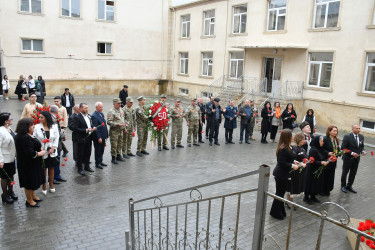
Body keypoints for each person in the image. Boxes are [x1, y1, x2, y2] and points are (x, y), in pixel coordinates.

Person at [15, 118, 46, 208]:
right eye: (31, 125)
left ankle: (33, 196)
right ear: (25, 127)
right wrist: (41, 153)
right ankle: (29, 200)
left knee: (32, 181)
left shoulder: (28, 135)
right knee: (28, 182)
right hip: (27, 164)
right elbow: (29, 153)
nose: (33, 126)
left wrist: (40, 148)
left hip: (32, 164)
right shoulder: (23, 137)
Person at [269, 129, 299, 220]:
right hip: (281, 175)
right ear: (287, 137)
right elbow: (281, 162)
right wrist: (292, 165)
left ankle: (279, 211)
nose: (293, 137)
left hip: (284, 174)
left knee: (280, 194)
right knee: (279, 194)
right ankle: (276, 213)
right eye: (291, 135)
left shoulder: (287, 147)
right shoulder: (283, 148)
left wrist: (294, 161)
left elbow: (288, 158)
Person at [33, 111, 59, 195]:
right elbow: (34, 139)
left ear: (47, 118)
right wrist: (39, 148)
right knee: (43, 169)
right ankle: (44, 185)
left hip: (51, 151)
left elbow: (56, 138)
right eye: (39, 117)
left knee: (51, 168)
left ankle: (51, 184)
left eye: (41, 117)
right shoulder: (37, 127)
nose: (39, 119)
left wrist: (53, 147)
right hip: (42, 151)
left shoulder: (54, 126)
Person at [70, 103, 97, 176]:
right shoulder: (77, 117)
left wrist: (93, 127)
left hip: (88, 138)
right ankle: (80, 169)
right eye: (85, 108)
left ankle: (87, 166)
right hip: (81, 138)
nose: (87, 109)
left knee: (88, 153)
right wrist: (86, 130)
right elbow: (75, 128)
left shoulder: (88, 116)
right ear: (80, 109)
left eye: (87, 108)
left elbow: (90, 124)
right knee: (80, 154)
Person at [340, 124, 366, 194]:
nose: (358, 130)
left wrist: (363, 151)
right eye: (357, 128)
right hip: (348, 158)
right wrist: (352, 153)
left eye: (359, 128)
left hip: (356, 159)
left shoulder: (361, 137)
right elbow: (343, 148)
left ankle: (349, 185)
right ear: (352, 129)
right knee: (345, 172)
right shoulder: (347, 136)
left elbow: (361, 146)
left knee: (353, 173)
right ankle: (343, 186)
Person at [304, 136, 328, 204]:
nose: (323, 143)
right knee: (310, 183)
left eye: (323, 141)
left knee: (316, 183)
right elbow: (312, 161)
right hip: (312, 170)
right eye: (321, 141)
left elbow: (323, 157)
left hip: (318, 169)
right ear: (317, 141)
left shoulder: (320, 148)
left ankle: (313, 196)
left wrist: (327, 160)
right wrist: (321, 162)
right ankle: (306, 197)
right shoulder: (313, 150)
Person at [0, 113, 17, 204]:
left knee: (11, 175)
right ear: (5, 121)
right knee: (4, 177)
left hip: (11, 158)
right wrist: (0, 160)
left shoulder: (9, 129)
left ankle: (11, 191)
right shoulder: (1, 131)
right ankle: (5, 194)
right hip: (4, 159)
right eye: (11, 119)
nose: (12, 120)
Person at [289, 132, 307, 207]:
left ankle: (290, 202)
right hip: (295, 171)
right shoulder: (294, 148)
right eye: (303, 139)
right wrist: (300, 164)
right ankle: (289, 202)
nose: (305, 140)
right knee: (292, 186)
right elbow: (292, 159)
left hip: (300, 170)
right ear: (300, 140)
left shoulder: (302, 147)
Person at [49, 105, 67, 184]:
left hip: (57, 143)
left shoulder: (53, 118)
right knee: (55, 161)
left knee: (57, 161)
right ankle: (53, 178)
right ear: (56, 111)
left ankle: (57, 176)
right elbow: (54, 132)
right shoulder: (52, 119)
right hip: (54, 144)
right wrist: (62, 134)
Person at [107, 98, 126, 164]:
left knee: (120, 144)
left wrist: (125, 124)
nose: (120, 104)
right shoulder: (111, 111)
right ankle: (113, 158)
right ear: (114, 104)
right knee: (114, 145)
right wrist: (117, 124)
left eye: (120, 103)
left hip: (121, 130)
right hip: (114, 131)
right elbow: (109, 122)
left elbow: (123, 118)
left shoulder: (121, 109)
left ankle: (118, 155)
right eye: (118, 103)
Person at [322, 125, 340, 196]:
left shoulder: (336, 139)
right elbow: (321, 149)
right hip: (327, 160)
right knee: (325, 176)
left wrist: (339, 152)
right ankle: (323, 189)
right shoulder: (325, 139)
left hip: (334, 161)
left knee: (331, 176)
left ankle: (328, 189)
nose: (336, 132)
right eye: (334, 131)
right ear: (329, 131)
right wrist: (328, 153)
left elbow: (337, 148)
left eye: (336, 131)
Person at [91, 102, 108, 169]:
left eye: (102, 107)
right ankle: (97, 163)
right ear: (96, 107)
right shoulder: (94, 116)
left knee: (102, 149)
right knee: (98, 150)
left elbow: (104, 125)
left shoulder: (101, 114)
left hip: (103, 135)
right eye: (100, 107)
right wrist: (99, 137)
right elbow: (96, 128)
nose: (102, 108)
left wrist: (106, 134)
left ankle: (100, 161)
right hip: (98, 137)